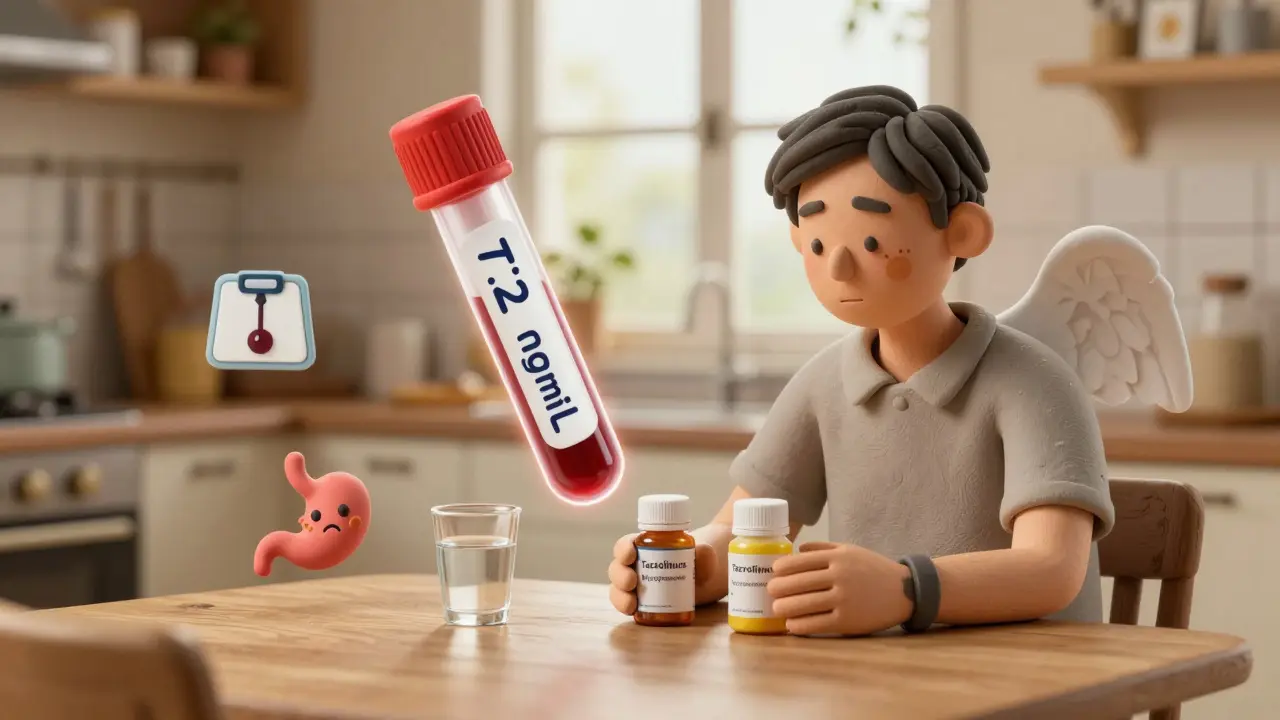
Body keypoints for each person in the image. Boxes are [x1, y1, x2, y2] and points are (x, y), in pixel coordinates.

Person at [606, 85, 1115, 636]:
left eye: (873, 242)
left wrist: (904, 588)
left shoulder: (1033, 383)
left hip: (1033, 685)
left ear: (962, 232)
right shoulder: (824, 382)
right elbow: (739, 526)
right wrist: (689, 563)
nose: (841, 268)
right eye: (820, 246)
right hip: (872, 684)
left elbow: (1051, 570)